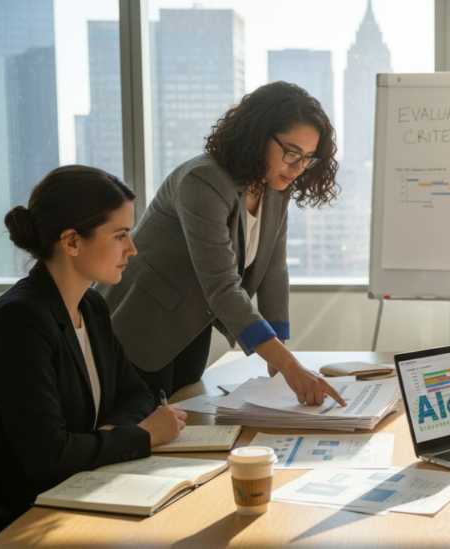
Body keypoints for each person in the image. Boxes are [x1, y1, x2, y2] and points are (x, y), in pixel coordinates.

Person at [97, 82, 346, 407]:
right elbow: (222, 284)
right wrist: (289, 365)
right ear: (257, 136)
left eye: (308, 158)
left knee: (188, 420)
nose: (298, 167)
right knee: (148, 431)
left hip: (191, 324)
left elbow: (273, 269)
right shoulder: (203, 181)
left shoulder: (274, 189)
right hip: (142, 324)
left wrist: (280, 352)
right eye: (291, 152)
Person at [0, 166, 186, 512]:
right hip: (21, 508)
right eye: (120, 235)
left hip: (81, 483)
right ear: (71, 242)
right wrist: (141, 436)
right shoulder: (19, 322)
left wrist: (104, 437)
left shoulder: (91, 305)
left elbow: (136, 392)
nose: (133, 249)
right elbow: (48, 457)